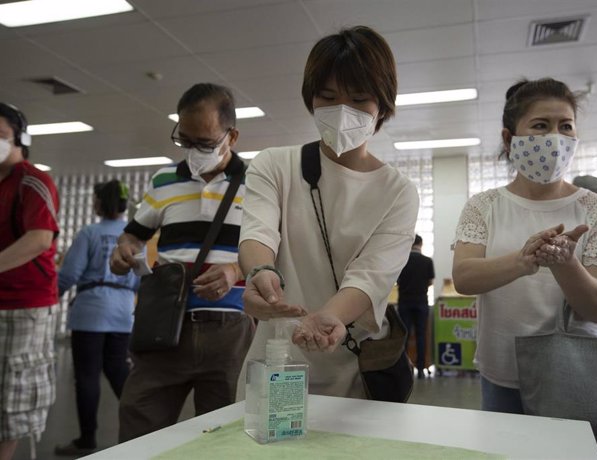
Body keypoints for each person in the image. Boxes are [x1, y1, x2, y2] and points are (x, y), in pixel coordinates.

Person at [451, 78, 597, 460]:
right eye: (540, 126)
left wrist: (565, 262)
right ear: (509, 137)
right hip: (505, 377)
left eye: (565, 126)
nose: (555, 137)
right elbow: (465, 277)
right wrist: (523, 261)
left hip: (585, 378)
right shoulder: (484, 206)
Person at [237, 26, 419, 399]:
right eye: (328, 97)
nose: (342, 112)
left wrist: (329, 316)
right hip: (275, 364)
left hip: (357, 369)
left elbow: (371, 277)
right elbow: (258, 231)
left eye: (358, 99)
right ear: (311, 100)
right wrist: (259, 271)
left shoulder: (398, 192)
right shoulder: (275, 165)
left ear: (381, 106)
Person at [110, 83, 254, 442]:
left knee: (224, 438)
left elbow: (276, 252)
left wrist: (236, 269)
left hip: (230, 330)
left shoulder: (259, 183)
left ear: (231, 136)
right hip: (165, 327)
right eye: (184, 140)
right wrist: (123, 250)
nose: (194, 152)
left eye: (204, 143)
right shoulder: (164, 180)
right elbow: (134, 234)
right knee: (138, 428)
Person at [54, 180, 139, 456]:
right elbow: (141, 281)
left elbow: (69, 274)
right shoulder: (135, 239)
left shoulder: (89, 233)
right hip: (123, 313)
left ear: (100, 203)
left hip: (90, 313)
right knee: (119, 372)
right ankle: (140, 431)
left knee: (87, 377)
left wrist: (50, 296)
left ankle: (87, 439)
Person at [0, 103, 59, 460]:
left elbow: (40, 238)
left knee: (12, 399)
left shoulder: (32, 179)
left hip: (25, 306)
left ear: (20, 138)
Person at [397, 234, 435, 379]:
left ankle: (405, 368)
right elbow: (430, 281)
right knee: (421, 335)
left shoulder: (402, 261)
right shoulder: (427, 261)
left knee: (404, 336)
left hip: (405, 302)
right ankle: (420, 369)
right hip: (421, 302)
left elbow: (398, 281)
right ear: (421, 244)